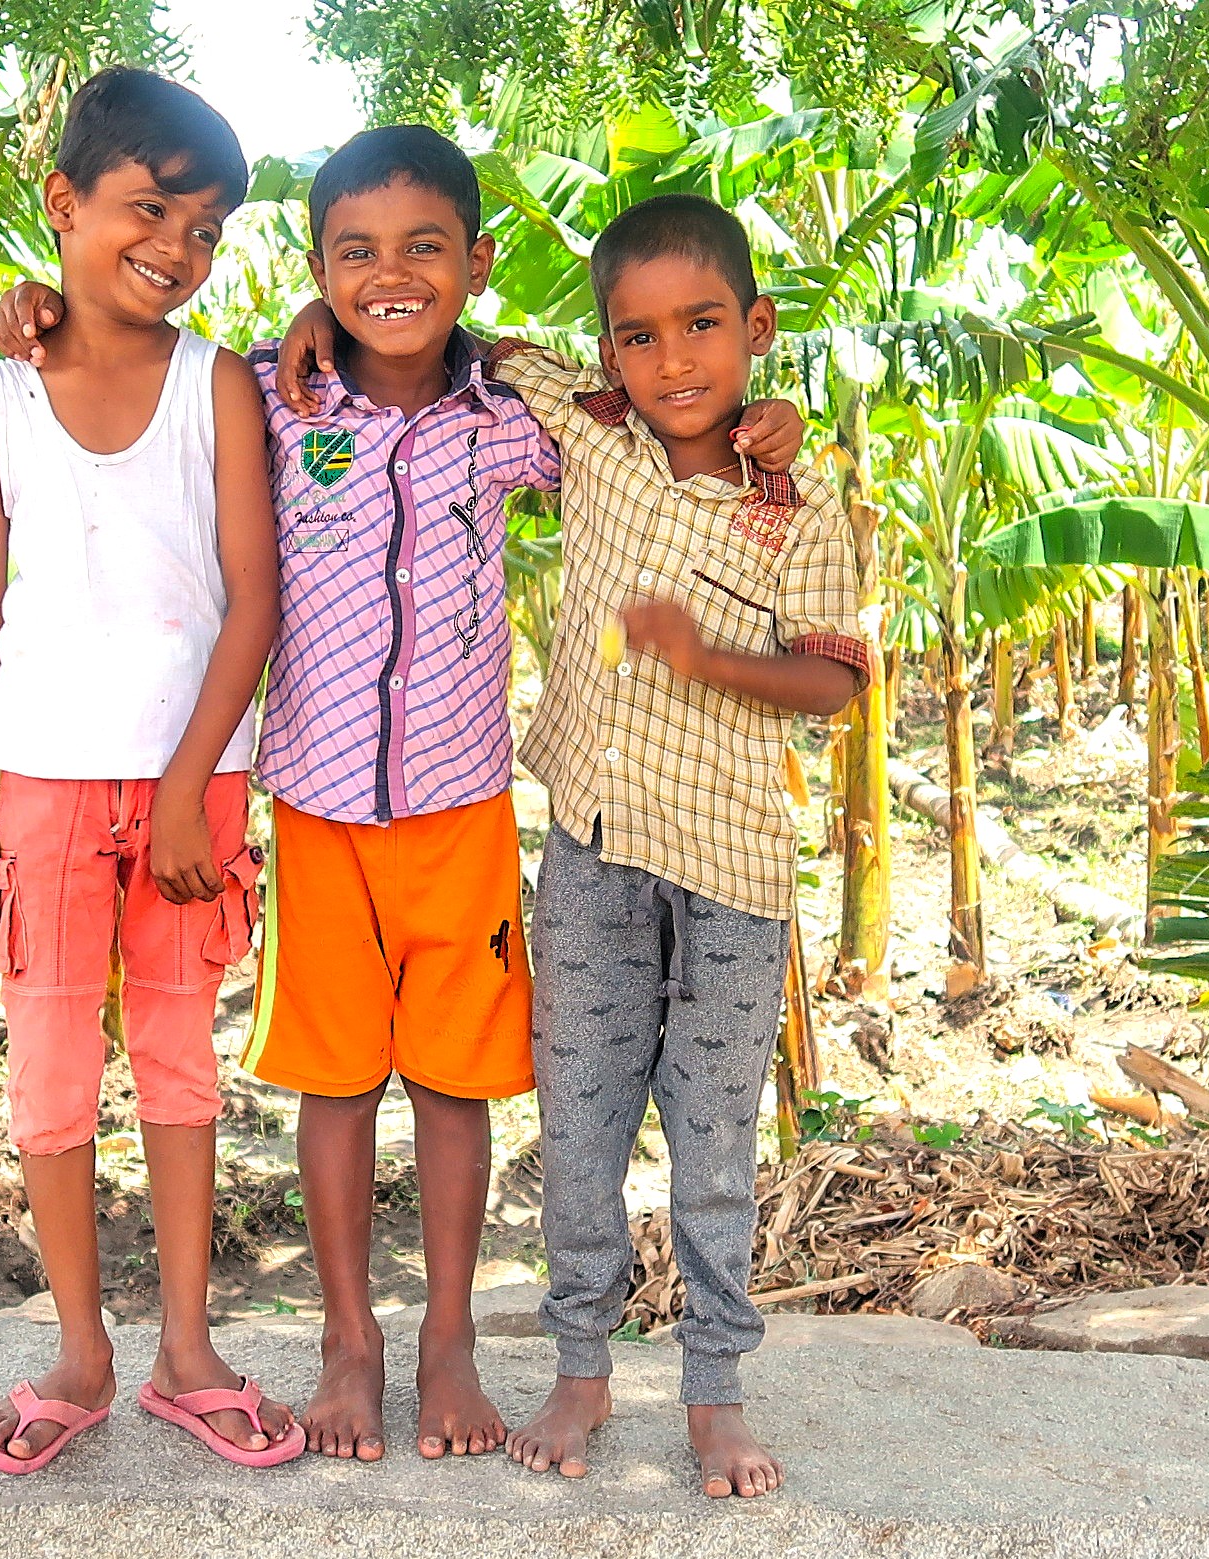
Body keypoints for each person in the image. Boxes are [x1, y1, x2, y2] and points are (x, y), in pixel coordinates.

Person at [0, 131, 805, 1465]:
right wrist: (24, 305)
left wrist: (761, 421)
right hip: (313, 808)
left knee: (448, 1084)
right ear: (312, 269)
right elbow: (114, 352)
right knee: (331, 1081)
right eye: (352, 254)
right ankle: (347, 1343)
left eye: (425, 247)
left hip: (459, 805)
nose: (389, 277)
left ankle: (444, 1342)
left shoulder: (516, 416)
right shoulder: (264, 394)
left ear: (476, 263)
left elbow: (659, 413)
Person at [301, 192, 868, 1498]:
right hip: (590, 854)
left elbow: (836, 682)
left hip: (729, 875)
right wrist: (315, 314)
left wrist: (709, 655)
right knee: (580, 1125)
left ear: (757, 329)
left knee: (714, 1146)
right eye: (640, 337)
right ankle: (580, 1371)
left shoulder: (798, 502)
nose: (673, 362)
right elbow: (447, 333)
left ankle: (715, 1396)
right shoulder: (590, 437)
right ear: (605, 351)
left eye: (703, 329)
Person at [0, 66, 297, 1474]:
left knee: (176, 1066)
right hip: (35, 783)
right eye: (148, 210)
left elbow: (251, 600)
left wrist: (182, 789)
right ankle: (79, 1355)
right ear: (63, 206)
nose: (175, 248)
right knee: (46, 1078)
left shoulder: (219, 383)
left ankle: (189, 1352)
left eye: (205, 229)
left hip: (192, 791)